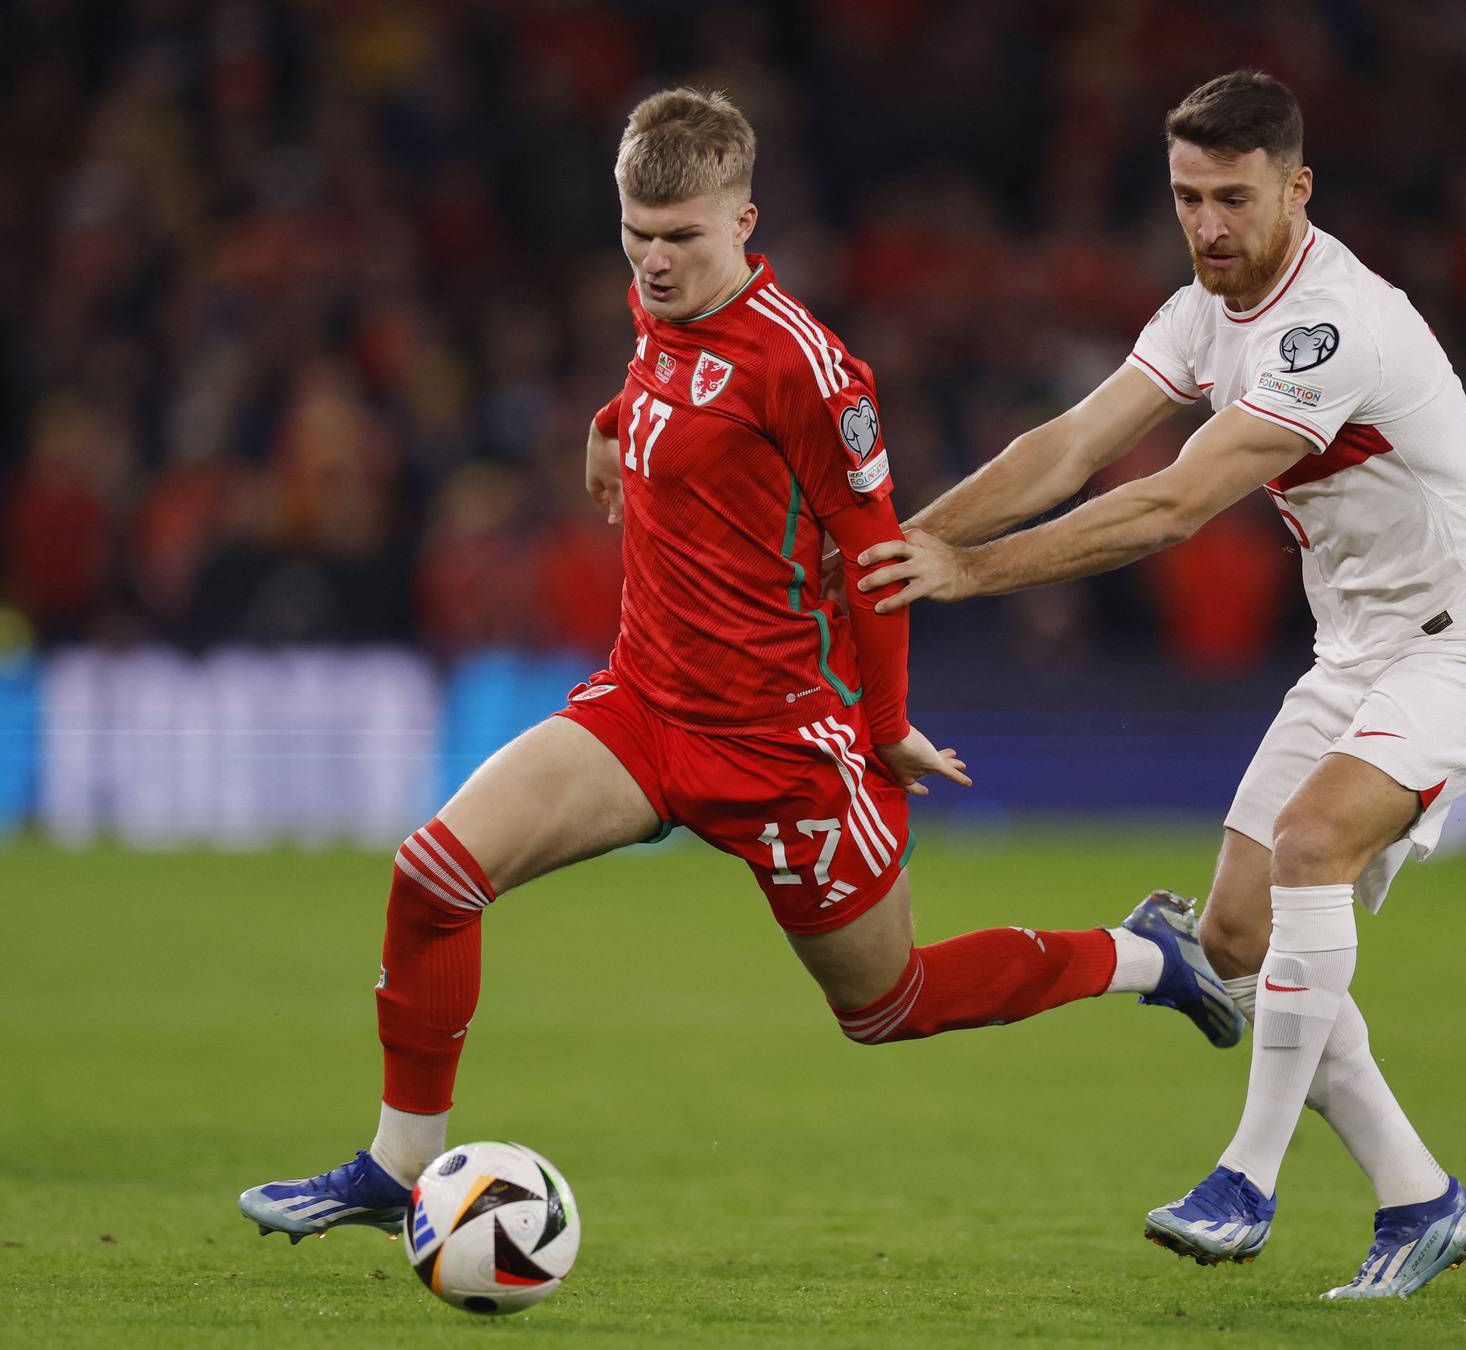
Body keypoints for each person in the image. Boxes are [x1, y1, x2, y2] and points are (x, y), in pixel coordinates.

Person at [238, 88, 1239, 1244]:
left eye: (681, 240)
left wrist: (888, 721)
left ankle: (1144, 957)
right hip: (645, 709)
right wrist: (613, 423)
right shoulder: (657, 304)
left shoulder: (811, 371)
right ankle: (400, 1164)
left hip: (785, 749)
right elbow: (663, 372)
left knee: (889, 1006)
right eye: (636, 237)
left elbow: (881, 560)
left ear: (744, 223)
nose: (654, 264)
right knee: (432, 877)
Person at [855, 70, 1466, 1300]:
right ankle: (1422, 1198)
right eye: (1188, 198)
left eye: (1234, 198)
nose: (1210, 226)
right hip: (1357, 654)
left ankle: (1247, 1178)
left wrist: (965, 574)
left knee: (1310, 844)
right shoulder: (1200, 311)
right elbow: (1066, 450)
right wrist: (905, 549)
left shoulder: (1333, 323)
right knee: (1234, 940)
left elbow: (1175, 501)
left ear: (1296, 188)